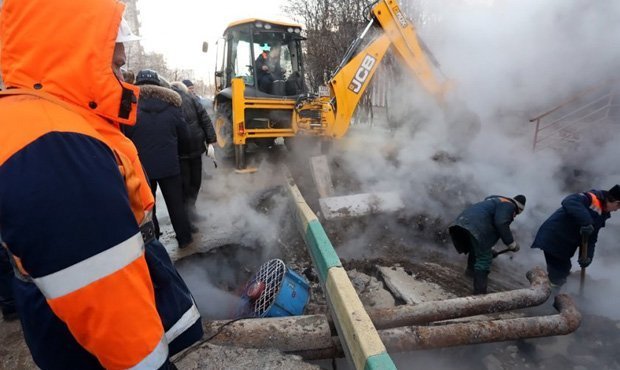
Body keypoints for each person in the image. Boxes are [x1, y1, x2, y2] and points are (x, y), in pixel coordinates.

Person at [0, 1, 202, 368]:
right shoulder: (55, 147)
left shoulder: (44, 124)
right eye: (115, 64)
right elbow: (112, 311)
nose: (121, 77)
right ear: (74, 51)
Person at [125, 69, 195, 248]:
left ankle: (154, 241)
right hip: (169, 165)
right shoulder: (172, 106)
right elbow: (185, 135)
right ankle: (185, 239)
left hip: (142, 167)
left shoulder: (129, 105)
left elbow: (123, 136)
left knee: (149, 207)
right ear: (158, 84)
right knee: (176, 205)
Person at [531, 185, 620, 289]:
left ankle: (548, 292)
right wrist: (586, 222)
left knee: (562, 271)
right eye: (618, 206)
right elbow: (569, 201)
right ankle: (546, 295)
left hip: (564, 245)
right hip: (555, 237)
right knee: (559, 273)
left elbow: (591, 237)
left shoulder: (603, 214)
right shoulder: (590, 198)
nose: (617, 210)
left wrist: (587, 257)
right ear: (617, 202)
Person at [449, 194, 526, 294]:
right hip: (476, 227)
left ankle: (470, 273)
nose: (514, 216)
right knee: (484, 259)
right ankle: (479, 293)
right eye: (516, 214)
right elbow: (501, 223)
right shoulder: (509, 205)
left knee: (475, 248)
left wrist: (490, 248)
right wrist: (510, 243)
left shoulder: (497, 201)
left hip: (462, 222)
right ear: (518, 209)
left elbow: (489, 225)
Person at [171, 82, 217, 222]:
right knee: (189, 183)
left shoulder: (192, 100)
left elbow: (204, 118)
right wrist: (210, 139)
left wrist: (210, 139)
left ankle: (192, 211)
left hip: (194, 149)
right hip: (183, 152)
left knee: (194, 182)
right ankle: (187, 215)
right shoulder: (170, 101)